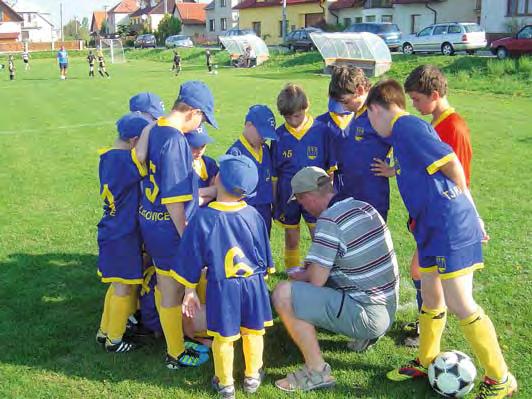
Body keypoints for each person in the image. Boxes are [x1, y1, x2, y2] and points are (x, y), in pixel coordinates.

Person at [365, 79, 516, 399]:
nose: (370, 124)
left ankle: (500, 378)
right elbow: (420, 170)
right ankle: (426, 359)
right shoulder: (401, 134)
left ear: (375, 110)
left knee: (461, 302)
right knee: (432, 297)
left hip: (450, 226)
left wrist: (472, 214)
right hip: (430, 227)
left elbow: (452, 164)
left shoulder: (406, 127)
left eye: (368, 116)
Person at [272, 166, 399, 392]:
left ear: (308, 196)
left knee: (283, 293)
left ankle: (317, 371)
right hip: (388, 307)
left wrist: (298, 276)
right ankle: (367, 335)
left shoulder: (330, 221)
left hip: (369, 315)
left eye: (301, 203)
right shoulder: (363, 206)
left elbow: (317, 281)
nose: (304, 209)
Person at [177, 154, 274, 399]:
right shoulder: (254, 215)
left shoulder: (205, 217)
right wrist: (263, 278)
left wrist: (189, 291)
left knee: (223, 336)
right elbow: (264, 255)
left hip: (223, 286)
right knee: (253, 331)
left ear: (217, 179)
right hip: (252, 284)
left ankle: (225, 383)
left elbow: (191, 256)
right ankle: (252, 376)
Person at [138, 80, 217, 369]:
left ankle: (176, 346)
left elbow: (140, 156)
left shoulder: (156, 128)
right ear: (192, 112)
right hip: (169, 228)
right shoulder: (175, 142)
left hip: (150, 220)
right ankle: (175, 352)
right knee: (171, 289)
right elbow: (174, 200)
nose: (200, 126)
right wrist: (187, 236)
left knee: (165, 285)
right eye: (202, 119)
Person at [402, 65, 475, 347]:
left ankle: (426, 327)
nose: (414, 105)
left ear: (434, 94)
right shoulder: (432, 124)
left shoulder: (453, 127)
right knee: (420, 271)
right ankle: (426, 320)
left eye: (417, 99)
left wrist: (470, 218)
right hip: (428, 214)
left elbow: (460, 177)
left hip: (444, 218)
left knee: (427, 274)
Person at [96, 113, 151, 352]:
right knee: (123, 288)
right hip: (122, 235)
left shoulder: (108, 157)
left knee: (115, 284)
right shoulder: (123, 161)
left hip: (110, 231)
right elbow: (140, 157)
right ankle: (114, 340)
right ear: (134, 140)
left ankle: (104, 332)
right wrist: (155, 126)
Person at [271, 83, 337, 274]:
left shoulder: (322, 131)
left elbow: (330, 171)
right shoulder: (278, 136)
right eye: (287, 116)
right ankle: (293, 271)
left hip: (316, 195)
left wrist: (326, 199)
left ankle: (323, 271)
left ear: (306, 108)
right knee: (291, 234)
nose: (292, 120)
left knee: (319, 235)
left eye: (297, 115)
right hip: (287, 195)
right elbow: (275, 174)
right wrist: (276, 201)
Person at [328, 66, 394, 222]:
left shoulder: (379, 112)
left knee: (373, 244)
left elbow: (407, 143)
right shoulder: (359, 112)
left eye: (345, 102)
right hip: (353, 193)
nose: (344, 107)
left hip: (372, 197)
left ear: (359, 90)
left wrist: (393, 170)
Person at [226, 105, 277, 235]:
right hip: (243, 212)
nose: (264, 138)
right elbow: (228, 190)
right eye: (262, 133)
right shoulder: (235, 153)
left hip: (264, 211)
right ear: (248, 125)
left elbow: (271, 179)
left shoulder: (265, 150)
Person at [186, 125, 218, 193]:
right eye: (195, 146)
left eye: (203, 146)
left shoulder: (209, 163)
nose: (200, 151)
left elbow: (217, 190)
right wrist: (210, 191)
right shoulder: (180, 167)